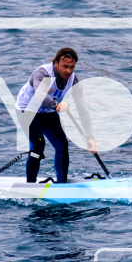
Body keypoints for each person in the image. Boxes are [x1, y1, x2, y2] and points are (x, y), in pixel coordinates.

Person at [15, 48, 97, 183]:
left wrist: (90, 138)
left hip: (47, 111)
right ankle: (30, 185)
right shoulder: (43, 74)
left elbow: (83, 109)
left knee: (62, 145)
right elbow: (40, 95)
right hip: (28, 109)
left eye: (72, 67)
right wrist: (56, 105)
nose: (68, 71)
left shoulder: (73, 81)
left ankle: (62, 184)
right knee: (38, 146)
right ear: (56, 63)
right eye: (65, 66)